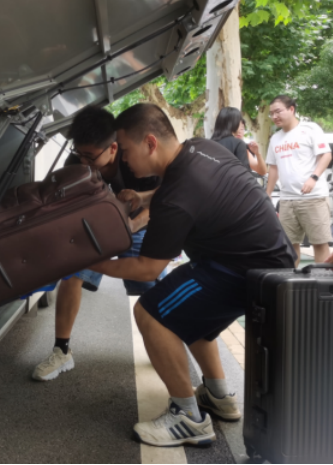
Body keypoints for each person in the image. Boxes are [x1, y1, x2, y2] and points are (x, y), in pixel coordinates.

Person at [89, 103, 296, 448]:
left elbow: (146, 268)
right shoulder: (201, 149)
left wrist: (88, 263)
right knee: (190, 314)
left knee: (151, 313)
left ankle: (188, 418)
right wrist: (142, 196)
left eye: (124, 150)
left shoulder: (176, 196)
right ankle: (218, 395)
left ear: (150, 143)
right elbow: (178, 191)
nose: (123, 160)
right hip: (268, 263)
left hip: (241, 271)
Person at [32, 107, 166, 382]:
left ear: (114, 148)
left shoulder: (138, 159)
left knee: (152, 287)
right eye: (80, 153)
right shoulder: (76, 162)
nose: (84, 161)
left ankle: (165, 346)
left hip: (138, 224)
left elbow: (160, 202)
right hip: (95, 229)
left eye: (90, 156)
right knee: (72, 275)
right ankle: (61, 351)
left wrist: (132, 225)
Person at [266, 95, 333, 266]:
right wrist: (267, 193)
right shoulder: (275, 138)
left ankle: (322, 281)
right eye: (271, 113)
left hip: (313, 198)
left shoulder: (310, 129)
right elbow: (273, 168)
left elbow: (326, 155)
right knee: (289, 245)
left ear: (291, 109)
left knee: (319, 243)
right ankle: (291, 280)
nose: (274, 116)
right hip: (287, 200)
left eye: (278, 111)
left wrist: (313, 178)